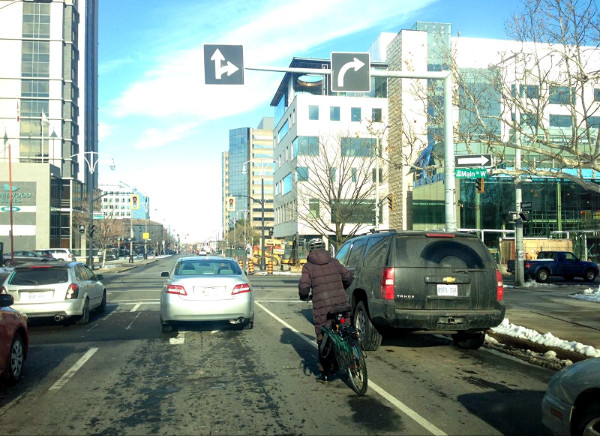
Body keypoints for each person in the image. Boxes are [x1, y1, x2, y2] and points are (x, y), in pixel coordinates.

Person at [298, 238, 354, 382]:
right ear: (324, 248)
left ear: (310, 250)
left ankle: (325, 373)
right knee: (346, 331)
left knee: (323, 338)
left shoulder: (308, 267)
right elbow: (348, 276)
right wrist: (342, 288)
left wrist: (304, 296)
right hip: (341, 302)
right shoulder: (334, 262)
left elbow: (304, 287)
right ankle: (351, 361)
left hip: (323, 308)